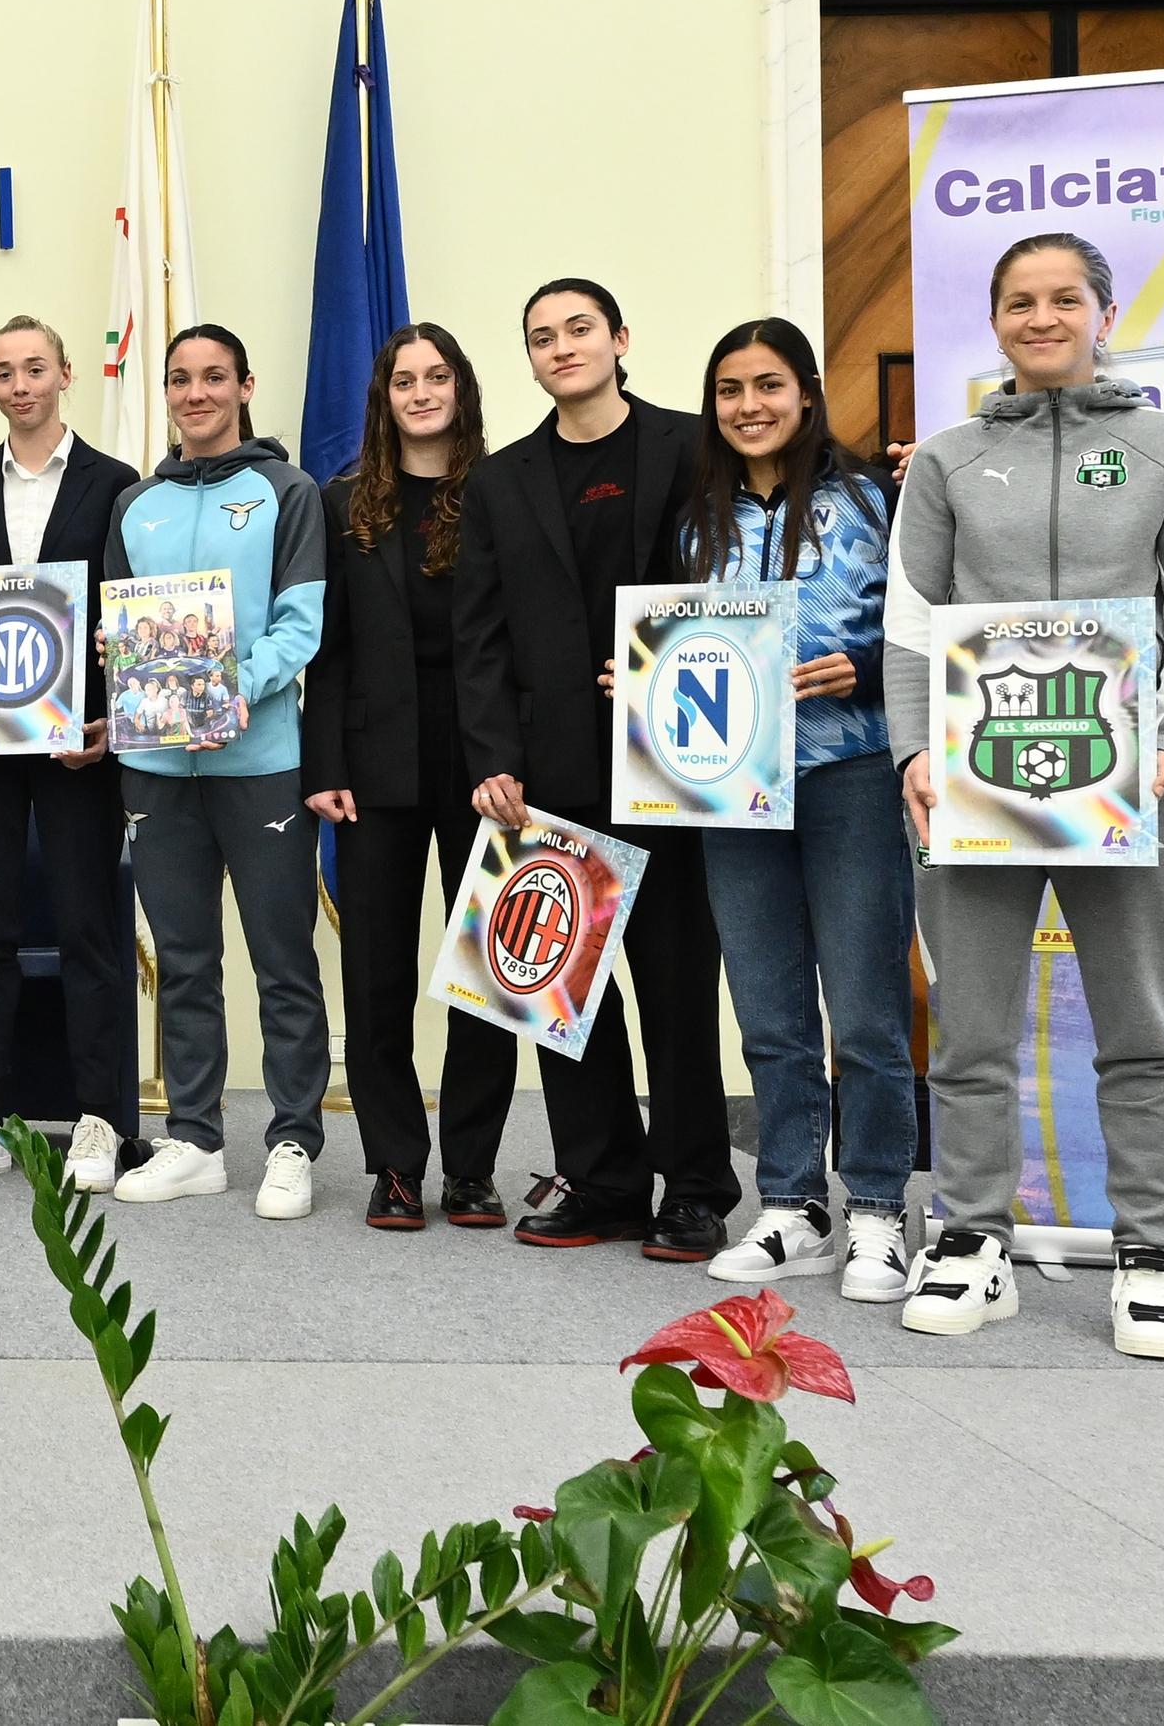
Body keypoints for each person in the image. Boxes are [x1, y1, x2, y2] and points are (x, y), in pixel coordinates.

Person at [886, 233, 1164, 1360]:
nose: (1041, 317)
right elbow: (907, 622)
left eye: (1062, 298)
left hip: (1126, 777)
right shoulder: (945, 459)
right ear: (994, 321)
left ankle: (1148, 1255)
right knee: (969, 1024)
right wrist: (908, 754)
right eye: (1019, 301)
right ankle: (974, 1239)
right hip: (975, 777)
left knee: (1139, 1024)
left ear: (1100, 308)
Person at [454, 277, 736, 1256]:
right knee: (559, 989)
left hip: (672, 755)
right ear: (528, 358)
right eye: (541, 336)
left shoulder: (692, 444)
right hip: (549, 766)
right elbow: (477, 635)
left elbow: (741, 572)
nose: (561, 346)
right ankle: (603, 1177)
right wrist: (492, 759)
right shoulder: (496, 481)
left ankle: (696, 1185)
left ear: (619, 337)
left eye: (578, 328)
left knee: (674, 983)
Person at [662, 318, 916, 1302]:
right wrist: (639, 679)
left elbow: (928, 635)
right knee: (768, 1009)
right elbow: (677, 642)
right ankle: (792, 1203)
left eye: (767, 384)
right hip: (732, 786)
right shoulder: (695, 518)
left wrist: (864, 673)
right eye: (728, 389)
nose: (748, 406)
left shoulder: (875, 499)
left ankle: (882, 1209)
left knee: (864, 1011)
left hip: (850, 770)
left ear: (806, 392)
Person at [100, 326, 332, 1217]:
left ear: (244, 385)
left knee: (282, 957)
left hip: (260, 762)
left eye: (213, 378)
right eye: (179, 380)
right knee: (186, 958)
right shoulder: (136, 504)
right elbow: (122, 631)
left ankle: (292, 1140)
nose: (196, 394)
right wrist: (119, 661)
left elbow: (299, 628)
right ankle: (195, 1137)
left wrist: (226, 691)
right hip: (156, 769)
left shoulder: (287, 492)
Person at [305, 321, 516, 1235]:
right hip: (372, 759)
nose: (421, 393)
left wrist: (518, 758)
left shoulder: (507, 492)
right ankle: (394, 1165)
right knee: (377, 969)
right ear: (383, 398)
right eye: (403, 380)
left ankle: (471, 1169)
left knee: (487, 971)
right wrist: (325, 765)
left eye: (437, 377)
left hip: (486, 762)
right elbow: (330, 648)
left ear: (462, 388)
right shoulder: (344, 501)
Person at [0, 317, 139, 1196]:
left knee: (89, 928)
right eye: (4, 372)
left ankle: (96, 1118)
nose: (22, 385)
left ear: (67, 375)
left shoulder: (116, 484)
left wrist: (116, 722)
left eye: (36, 369)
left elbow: (133, 612)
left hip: (77, 746)